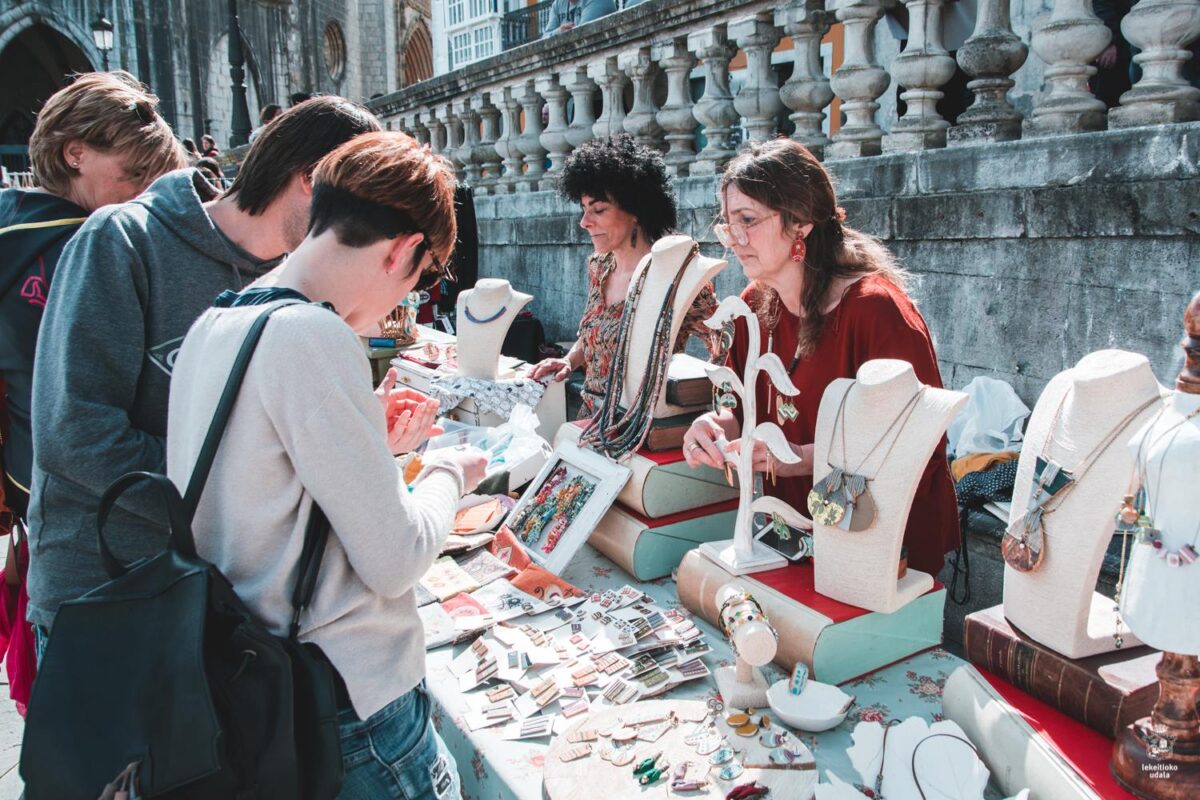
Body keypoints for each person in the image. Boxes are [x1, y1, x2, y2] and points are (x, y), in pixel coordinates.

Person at [167, 130, 484, 800]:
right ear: (402, 250)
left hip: (255, 678)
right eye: (417, 280)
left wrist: (373, 440)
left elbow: (256, 492)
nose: (401, 305)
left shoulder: (218, 322)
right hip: (343, 699)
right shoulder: (314, 334)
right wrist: (448, 473)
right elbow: (395, 558)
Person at [25, 97, 381, 639]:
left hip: (229, 603)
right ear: (310, 179)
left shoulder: (298, 282)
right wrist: (231, 500)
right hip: (108, 597)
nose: (355, 242)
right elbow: (74, 433)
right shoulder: (121, 241)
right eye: (355, 215)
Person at [681, 139, 959, 577]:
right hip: (789, 536)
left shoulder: (876, 311)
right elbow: (739, 409)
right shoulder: (754, 305)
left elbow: (916, 446)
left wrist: (801, 456)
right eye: (728, 225)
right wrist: (713, 428)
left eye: (748, 222)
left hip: (879, 548)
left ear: (801, 225)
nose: (735, 241)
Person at [0, 70, 183, 713]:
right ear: (75, 152)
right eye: (133, 174)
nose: (140, 196)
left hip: (28, 488)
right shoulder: (92, 245)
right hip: (92, 512)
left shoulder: (10, 226)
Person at [529, 134, 721, 418]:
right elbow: (595, 332)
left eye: (598, 210)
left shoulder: (676, 274)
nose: (584, 222)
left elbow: (724, 344)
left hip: (640, 435)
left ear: (636, 210)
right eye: (584, 210)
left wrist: (714, 413)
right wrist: (569, 361)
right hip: (588, 423)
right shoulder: (599, 266)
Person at [541, 0, 616, 36]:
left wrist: (556, 34)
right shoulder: (557, 5)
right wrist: (558, 31)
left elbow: (582, 35)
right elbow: (544, 39)